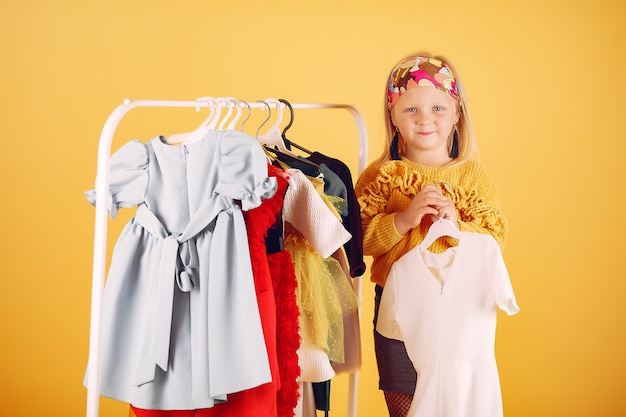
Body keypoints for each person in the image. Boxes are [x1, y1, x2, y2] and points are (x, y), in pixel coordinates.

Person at [354, 52, 509, 417]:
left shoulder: (474, 179)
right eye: (411, 110)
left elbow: (493, 239)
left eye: (438, 108)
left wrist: (456, 225)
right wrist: (404, 219)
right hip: (398, 307)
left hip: (459, 307)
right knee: (405, 402)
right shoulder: (381, 177)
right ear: (392, 115)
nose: (425, 119)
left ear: (457, 115)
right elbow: (357, 241)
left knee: (456, 398)